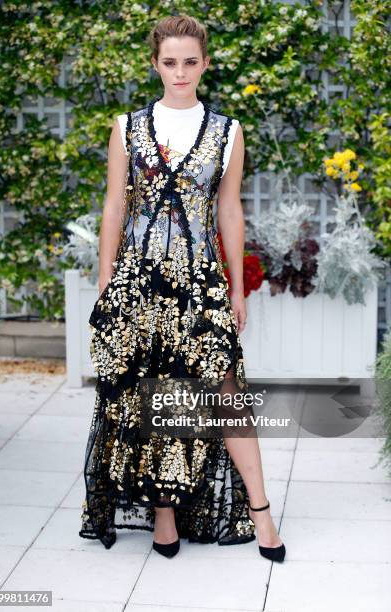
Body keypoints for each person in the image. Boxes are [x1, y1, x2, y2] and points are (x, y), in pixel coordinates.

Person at [79, 14, 285, 563]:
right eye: (170, 62)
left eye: (190, 62)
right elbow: (114, 206)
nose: (180, 72)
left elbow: (229, 209)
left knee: (226, 395)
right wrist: (105, 281)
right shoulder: (127, 127)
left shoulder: (228, 131)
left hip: (200, 282)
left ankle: (262, 514)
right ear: (155, 64)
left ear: (205, 64)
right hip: (138, 281)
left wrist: (238, 288)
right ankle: (163, 515)